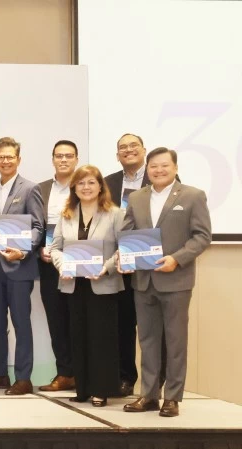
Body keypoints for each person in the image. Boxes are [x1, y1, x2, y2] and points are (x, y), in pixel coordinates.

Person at [121, 147, 211, 418]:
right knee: (147, 340)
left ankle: (172, 397)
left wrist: (177, 258)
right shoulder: (136, 197)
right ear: (147, 169)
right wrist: (125, 256)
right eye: (153, 167)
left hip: (176, 280)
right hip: (143, 280)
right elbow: (126, 231)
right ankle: (148, 394)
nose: (158, 170)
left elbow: (202, 236)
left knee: (175, 341)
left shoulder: (193, 196)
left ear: (174, 167)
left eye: (164, 166)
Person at [49, 165, 125, 407]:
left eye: (91, 182)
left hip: (102, 284)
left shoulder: (115, 214)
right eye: (81, 183)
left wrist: (107, 267)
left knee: (101, 338)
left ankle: (101, 390)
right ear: (74, 188)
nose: (86, 187)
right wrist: (63, 267)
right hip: (73, 285)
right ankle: (82, 389)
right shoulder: (67, 214)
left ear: (100, 186)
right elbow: (55, 248)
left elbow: (124, 249)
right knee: (78, 336)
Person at [0, 137, 44, 395]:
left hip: (19, 268)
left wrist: (23, 251)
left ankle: (24, 378)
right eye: (1, 157)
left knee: (21, 323)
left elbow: (38, 227)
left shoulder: (30, 189)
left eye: (10, 157)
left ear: (18, 159)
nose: (5, 161)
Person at [103, 133, 156, 397]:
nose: (128, 150)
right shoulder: (109, 183)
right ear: (117, 155)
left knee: (151, 327)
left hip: (150, 264)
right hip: (119, 263)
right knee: (122, 324)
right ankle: (125, 377)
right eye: (122, 147)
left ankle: (153, 384)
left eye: (133, 146)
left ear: (144, 150)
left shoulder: (159, 176)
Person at [36, 140, 79, 393]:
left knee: (79, 318)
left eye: (69, 156)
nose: (63, 160)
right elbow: (36, 225)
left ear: (76, 158)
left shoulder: (87, 184)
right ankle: (65, 373)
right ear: (52, 159)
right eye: (59, 156)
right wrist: (38, 248)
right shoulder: (40, 189)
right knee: (56, 319)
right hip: (48, 262)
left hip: (79, 263)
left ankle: (83, 373)